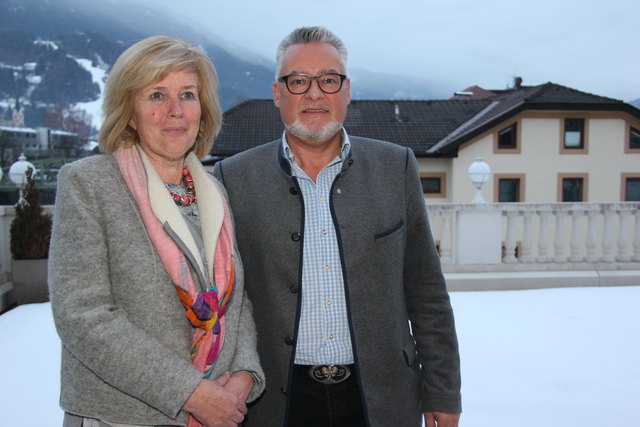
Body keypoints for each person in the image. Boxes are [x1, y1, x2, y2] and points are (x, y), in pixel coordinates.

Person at [213, 26, 461, 427]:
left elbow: (426, 291)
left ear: (346, 91)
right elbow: (226, 300)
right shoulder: (232, 178)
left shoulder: (395, 166)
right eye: (298, 82)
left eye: (329, 80)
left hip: (382, 398)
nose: (314, 94)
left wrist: (443, 391)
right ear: (278, 94)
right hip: (275, 402)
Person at [49, 36, 264, 427]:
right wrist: (191, 393)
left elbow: (236, 298)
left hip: (217, 411)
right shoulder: (89, 183)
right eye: (156, 96)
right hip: (118, 418)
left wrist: (246, 375)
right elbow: (83, 314)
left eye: (187, 94)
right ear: (129, 112)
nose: (175, 111)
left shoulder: (213, 191)